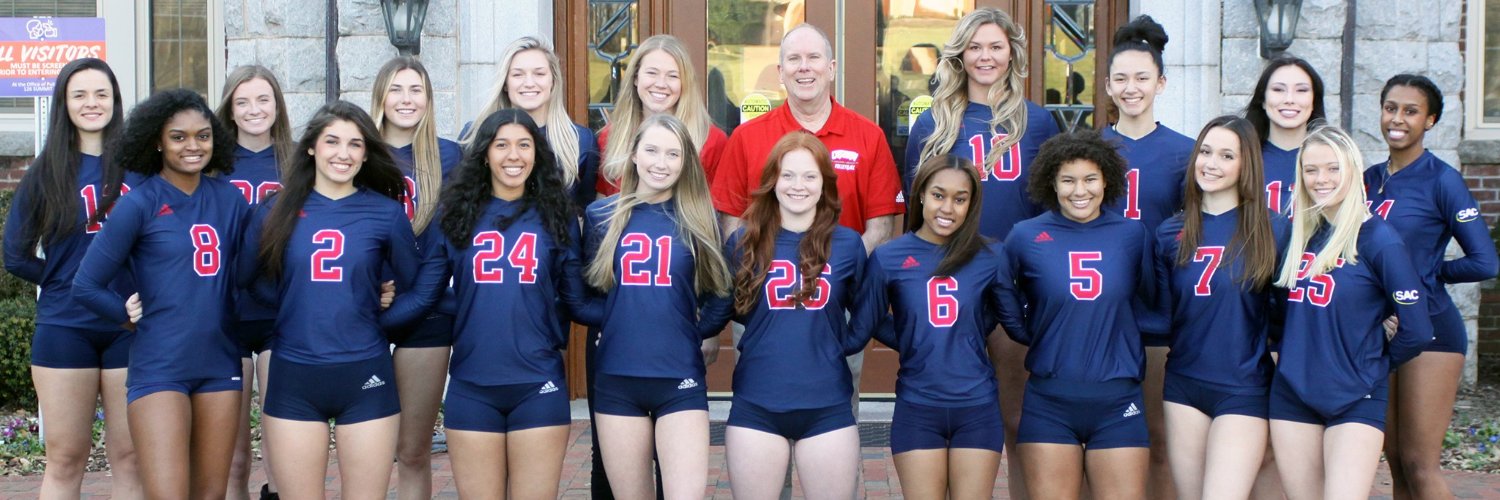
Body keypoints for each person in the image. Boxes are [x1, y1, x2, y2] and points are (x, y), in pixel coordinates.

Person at [239, 101, 432, 500]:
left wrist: (376, 319)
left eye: (355, 144)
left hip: (365, 374)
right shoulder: (276, 209)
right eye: (332, 141)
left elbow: (413, 286)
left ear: (366, 153)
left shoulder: (385, 213)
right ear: (311, 147)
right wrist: (291, 305)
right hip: (294, 375)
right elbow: (245, 280)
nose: (343, 153)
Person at [903, 10, 1060, 496]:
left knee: (1017, 418)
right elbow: (914, 218)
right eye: (974, 47)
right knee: (947, 424)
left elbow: (1052, 213)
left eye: (995, 46)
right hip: (948, 289)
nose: (985, 57)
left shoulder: (1038, 122)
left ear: (1012, 52)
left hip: (1015, 286)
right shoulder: (932, 123)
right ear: (960, 54)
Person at [73, 88, 248, 499]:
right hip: (160, 365)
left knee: (211, 495)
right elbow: (86, 284)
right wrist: (123, 314)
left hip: (219, 362)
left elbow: (255, 271)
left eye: (203, 136)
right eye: (179, 137)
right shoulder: (139, 203)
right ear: (157, 141)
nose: (193, 146)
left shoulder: (230, 199)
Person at [433, 109, 593, 499]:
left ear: (537, 153)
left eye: (524, 145)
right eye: (501, 145)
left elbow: (575, 301)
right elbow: (427, 293)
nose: (513, 155)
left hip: (538, 383)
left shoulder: (557, 216)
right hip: (472, 384)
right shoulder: (455, 214)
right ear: (484, 153)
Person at [3, 58, 142, 499]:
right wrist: (64, 279)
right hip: (65, 325)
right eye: (79, 94)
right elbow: (14, 255)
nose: (91, 103)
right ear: (64, 103)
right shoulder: (45, 172)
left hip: (129, 326)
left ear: (115, 100)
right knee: (65, 459)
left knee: (131, 457)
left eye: (101, 93)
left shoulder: (140, 168)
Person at [1269, 125, 1431, 499]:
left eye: (1333, 168)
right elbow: (1276, 311)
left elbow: (1418, 329)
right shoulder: (1295, 236)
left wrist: (1373, 362)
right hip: (1293, 393)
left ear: (1353, 172)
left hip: (1356, 394)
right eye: (1311, 170)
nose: (1321, 179)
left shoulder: (1378, 239)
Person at [996, 129, 1155, 500]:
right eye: (1068, 180)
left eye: (1089, 179)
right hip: (1049, 399)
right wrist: (1027, 332)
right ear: (1052, 182)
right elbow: (1003, 290)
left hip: (1118, 397)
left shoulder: (1132, 234)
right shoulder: (1025, 235)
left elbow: (1152, 300)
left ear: (1107, 180)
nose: (1079, 190)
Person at [582, 114, 733, 500]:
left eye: (672, 154)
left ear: (685, 163)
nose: (660, 163)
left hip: (678, 377)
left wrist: (689, 331)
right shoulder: (602, 216)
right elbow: (584, 295)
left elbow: (721, 295)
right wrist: (617, 322)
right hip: (617, 377)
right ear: (633, 154)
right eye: (651, 150)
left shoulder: (700, 219)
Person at [1364, 74, 1499, 500]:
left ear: (1430, 120)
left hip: (1432, 330)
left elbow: (1485, 261)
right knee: (1396, 461)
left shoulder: (1442, 180)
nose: (1397, 119)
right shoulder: (1365, 179)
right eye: (1391, 108)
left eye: (1411, 111)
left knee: (1420, 464)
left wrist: (1426, 274)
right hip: (1380, 330)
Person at [850, 155, 1007, 500]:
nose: (947, 208)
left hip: (977, 407)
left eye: (960, 199)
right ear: (921, 194)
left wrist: (960, 336)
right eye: (938, 195)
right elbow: (868, 323)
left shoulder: (991, 256)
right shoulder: (889, 257)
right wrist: (912, 339)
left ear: (971, 203)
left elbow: (994, 315)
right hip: (918, 407)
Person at [1154, 115, 1288, 500]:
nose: (1211, 163)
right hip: (1183, 384)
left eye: (1227, 156)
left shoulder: (1273, 229)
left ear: (1246, 165)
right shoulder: (1169, 232)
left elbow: (1291, 312)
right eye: (1206, 152)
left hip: (1243, 387)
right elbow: (1162, 312)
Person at [723, 131, 862, 500]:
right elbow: (723, 308)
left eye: (809, 176)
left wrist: (840, 345)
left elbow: (868, 312)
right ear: (773, 180)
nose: (798, 185)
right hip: (757, 402)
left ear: (824, 183)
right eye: (788, 175)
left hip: (827, 404)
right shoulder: (742, 243)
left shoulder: (848, 244)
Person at [1098, 16, 1195, 499]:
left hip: (1158, 311)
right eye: (1121, 78)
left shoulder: (1187, 153)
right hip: (1097, 310)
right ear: (1107, 86)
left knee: (1158, 437)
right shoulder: (1088, 149)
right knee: (1097, 439)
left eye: (1142, 77)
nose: (1131, 88)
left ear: (1161, 83)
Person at [370, 55, 463, 500]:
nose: (406, 100)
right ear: (380, 97)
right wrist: (375, 284)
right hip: (367, 309)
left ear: (428, 99)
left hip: (428, 312)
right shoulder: (359, 152)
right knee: (368, 449)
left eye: (416, 90)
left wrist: (421, 295)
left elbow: (450, 240)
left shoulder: (449, 155)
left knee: (411, 450)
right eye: (396, 89)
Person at [214, 64, 293, 500]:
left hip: (281, 311)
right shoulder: (212, 163)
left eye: (263, 99)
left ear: (277, 104)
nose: (254, 109)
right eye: (242, 101)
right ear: (229, 109)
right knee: (233, 456)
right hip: (225, 313)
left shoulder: (299, 160)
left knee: (283, 450)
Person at [466, 35, 599, 208]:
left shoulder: (581, 140)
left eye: (539, 74)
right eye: (518, 74)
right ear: (505, 83)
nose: (529, 83)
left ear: (553, 81)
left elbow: (585, 208)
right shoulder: (474, 134)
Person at [596, 34, 730, 196]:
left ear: (685, 83)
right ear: (636, 78)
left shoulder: (711, 140)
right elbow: (602, 202)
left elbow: (717, 208)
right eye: (652, 73)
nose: (661, 84)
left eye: (672, 76)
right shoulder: (610, 136)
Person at [1245, 55, 1327, 215]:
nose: (1289, 99)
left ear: (1314, 101)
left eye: (1301, 90)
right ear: (1263, 100)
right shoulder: (1241, 158)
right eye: (1278, 90)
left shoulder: (1336, 160)